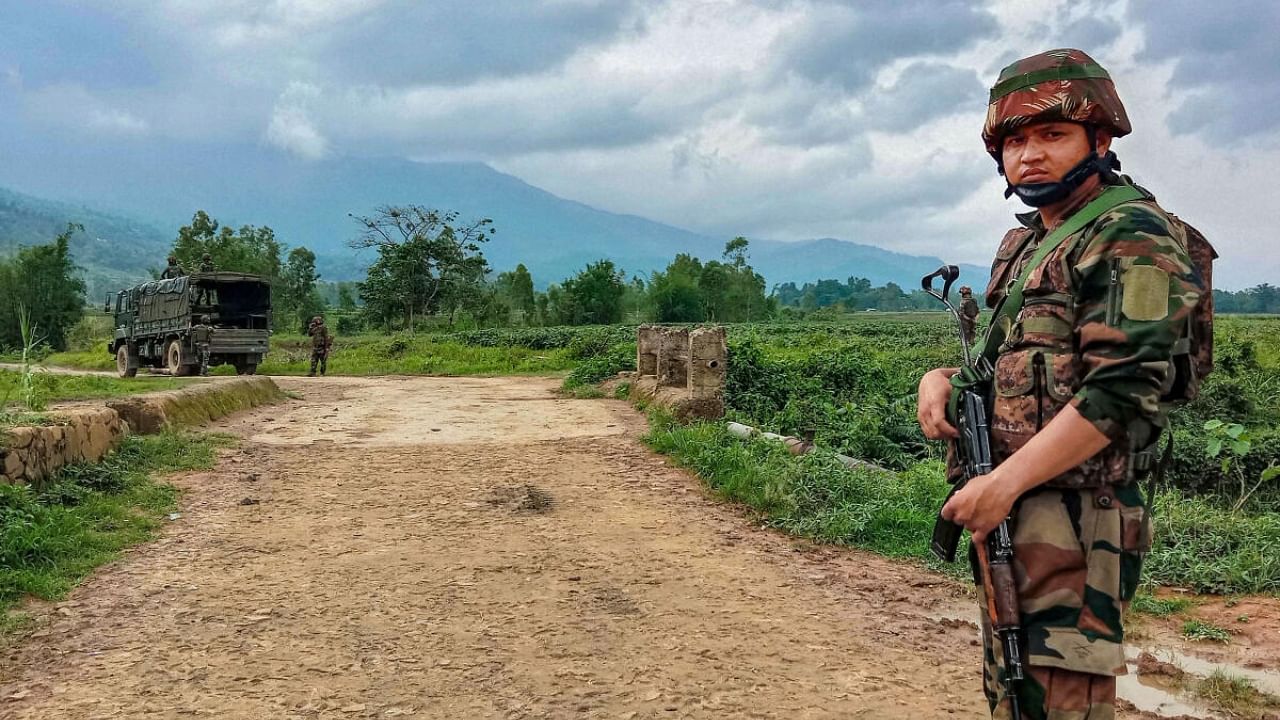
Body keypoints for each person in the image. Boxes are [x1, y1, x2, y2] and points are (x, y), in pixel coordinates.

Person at [915, 49, 1206, 719]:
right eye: (1015, 141)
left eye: (1052, 135)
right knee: (1016, 691)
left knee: (1063, 697)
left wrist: (1004, 484)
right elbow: (1021, 365)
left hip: (1078, 516)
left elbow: (1121, 392)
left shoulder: (1134, 235)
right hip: (1008, 504)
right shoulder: (1023, 245)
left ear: (1099, 140)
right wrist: (945, 380)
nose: (1030, 156)